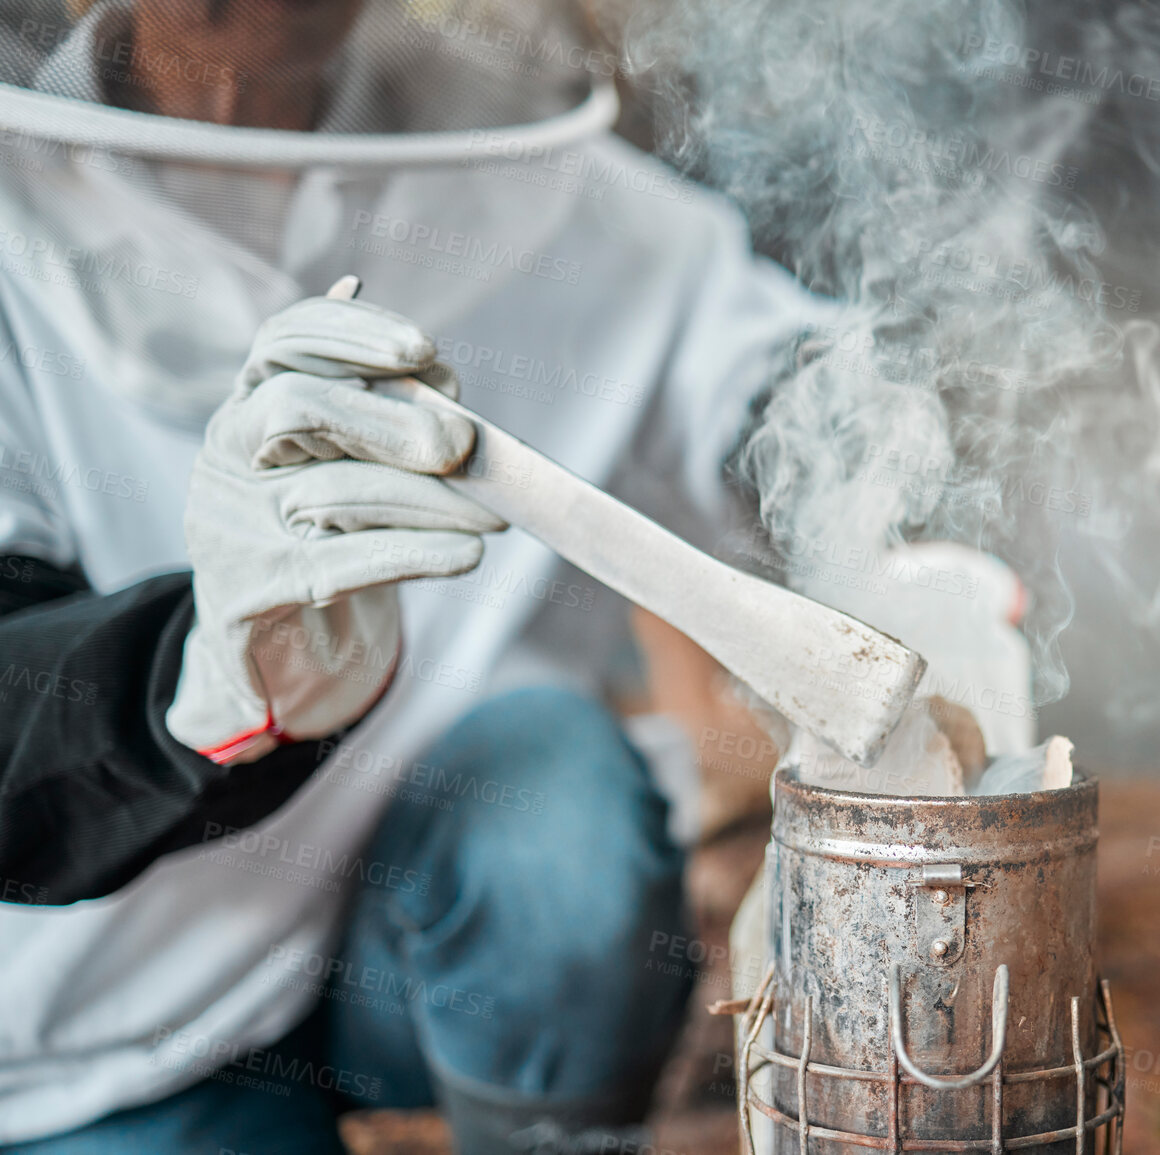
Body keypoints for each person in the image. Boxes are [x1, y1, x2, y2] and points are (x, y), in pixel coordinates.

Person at [0, 0, 825, 1150]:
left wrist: (883, 480)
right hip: (85, 1022)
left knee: (558, 818)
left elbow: (764, 383)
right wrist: (196, 679)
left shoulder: (509, 161)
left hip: (405, 924)